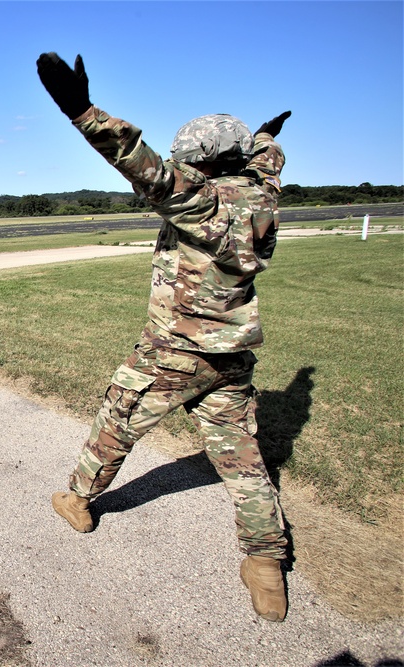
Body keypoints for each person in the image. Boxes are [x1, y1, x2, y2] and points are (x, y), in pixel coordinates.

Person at [36, 51, 292, 622]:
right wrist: (266, 137)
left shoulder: (199, 201)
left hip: (175, 349)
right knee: (242, 459)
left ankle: (77, 501)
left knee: (116, 421)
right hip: (231, 354)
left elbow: (138, 162)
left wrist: (80, 111)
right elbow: (269, 163)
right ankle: (265, 562)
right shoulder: (262, 196)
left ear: (198, 160)